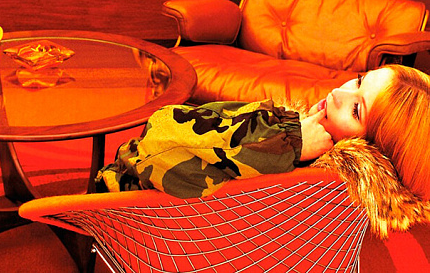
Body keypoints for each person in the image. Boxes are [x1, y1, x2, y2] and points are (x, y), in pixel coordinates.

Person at [96, 65, 430, 201]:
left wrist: (288, 139)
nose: (337, 94)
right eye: (358, 80)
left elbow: (157, 144)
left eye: (356, 110)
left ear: (376, 149)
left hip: (127, 204)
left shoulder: (293, 163)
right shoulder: (296, 144)